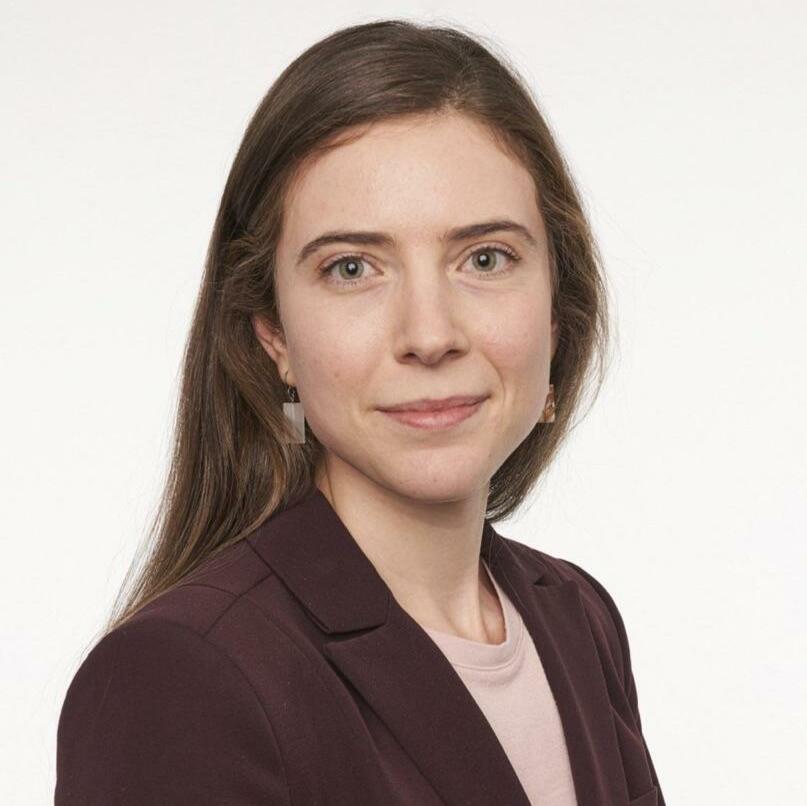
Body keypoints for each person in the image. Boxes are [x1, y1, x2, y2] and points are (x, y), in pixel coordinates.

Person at [55, 19, 664, 806]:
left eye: (485, 258)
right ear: (271, 333)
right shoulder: (184, 675)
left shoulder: (576, 616)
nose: (430, 335)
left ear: (556, 307)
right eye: (351, 269)